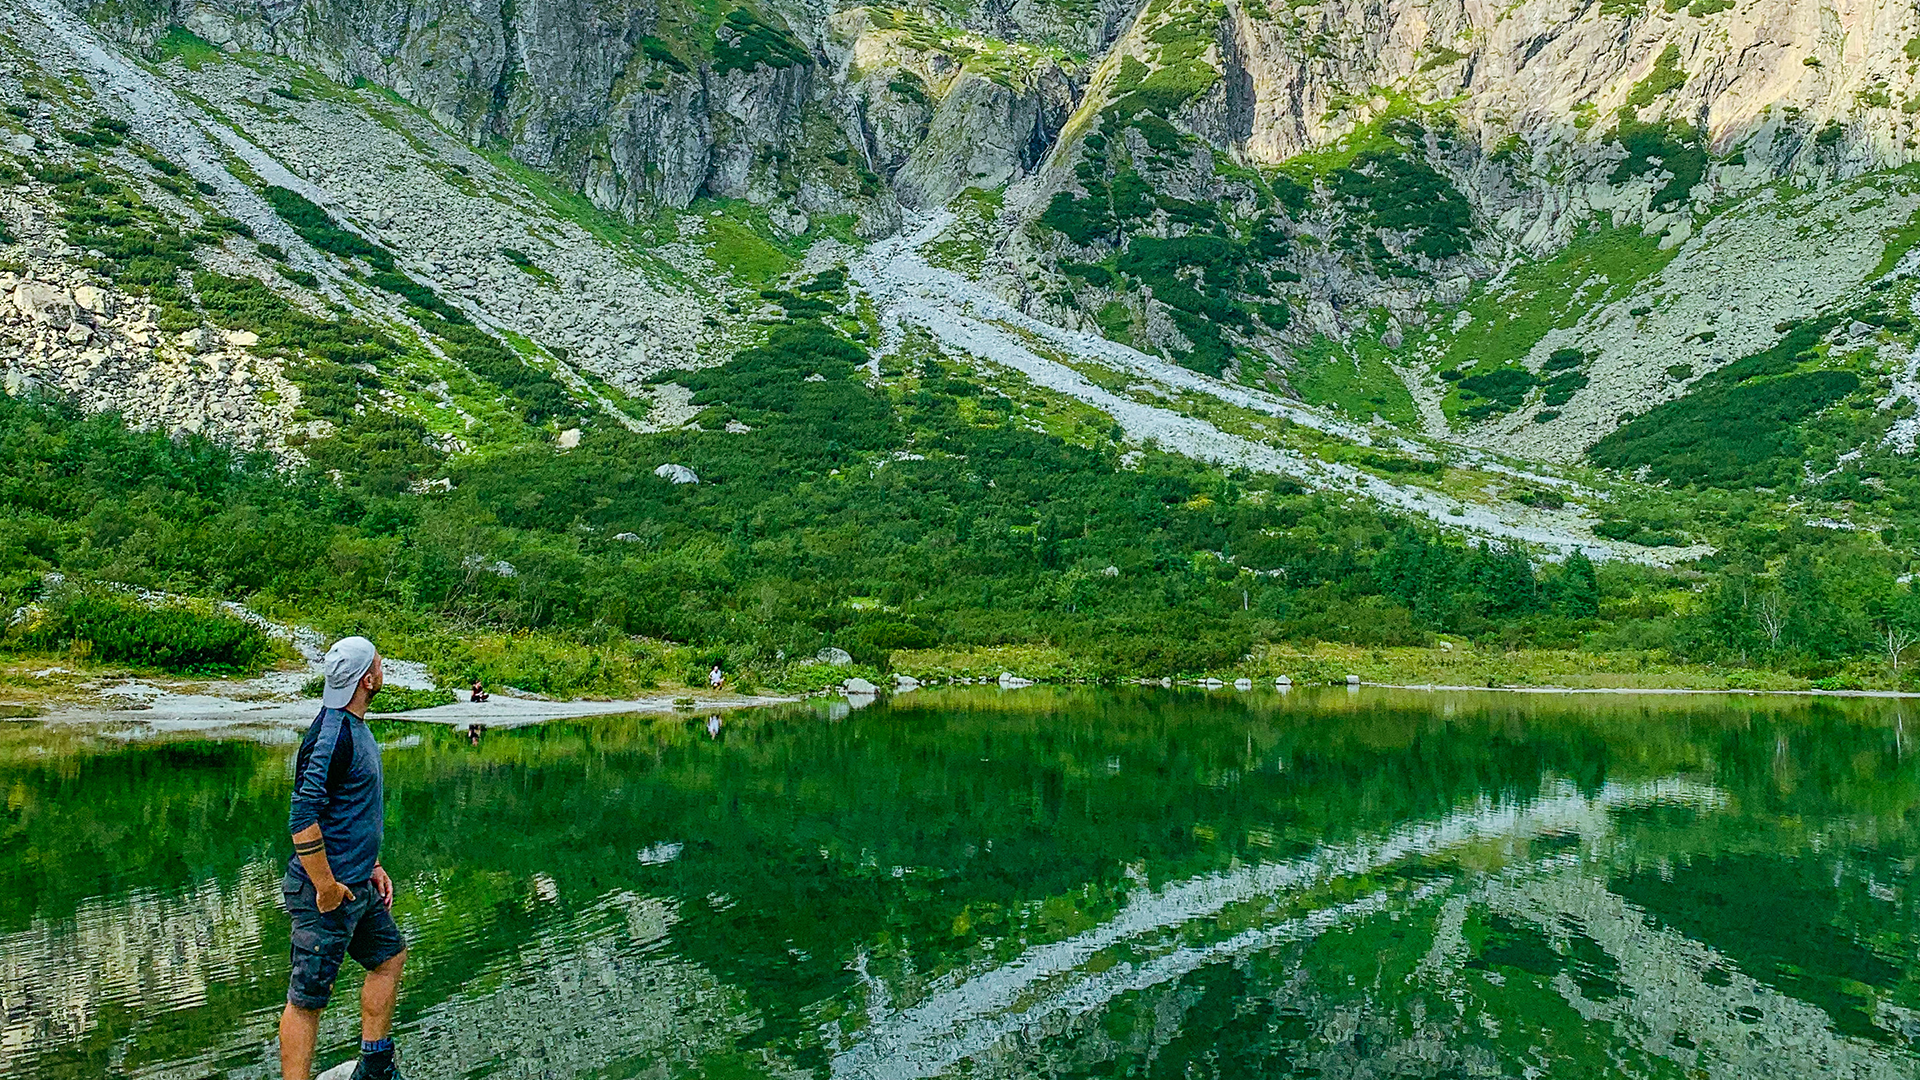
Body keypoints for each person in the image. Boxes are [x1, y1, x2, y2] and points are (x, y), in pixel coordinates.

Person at [280, 637, 407, 1080]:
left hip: (357, 884)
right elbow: (302, 818)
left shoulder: (353, 725)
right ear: (368, 679)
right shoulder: (333, 733)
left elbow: (347, 809)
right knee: (308, 999)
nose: (383, 667)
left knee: (389, 956)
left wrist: (370, 863)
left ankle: (373, 1066)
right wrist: (326, 888)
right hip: (326, 891)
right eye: (379, 663)